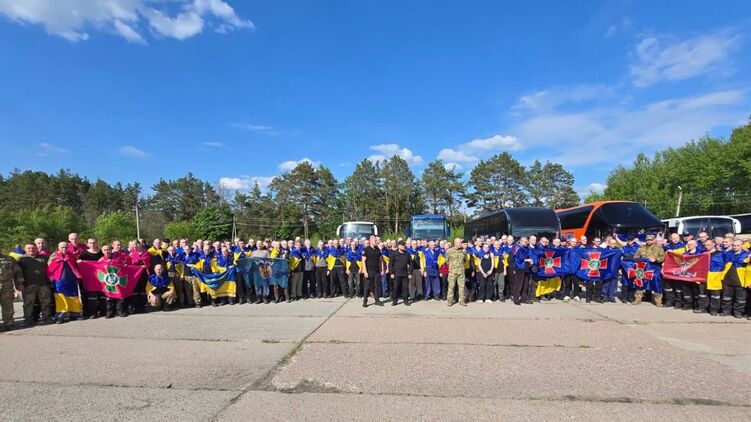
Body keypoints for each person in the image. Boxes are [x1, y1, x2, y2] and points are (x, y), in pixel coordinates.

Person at [17, 243, 52, 325]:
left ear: (37, 249)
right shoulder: (21, 259)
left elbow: (51, 269)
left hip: (43, 284)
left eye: (33, 248)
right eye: (29, 248)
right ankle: (28, 319)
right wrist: (19, 283)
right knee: (28, 304)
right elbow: (18, 272)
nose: (31, 250)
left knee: (46, 302)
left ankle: (47, 318)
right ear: (25, 249)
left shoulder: (44, 258)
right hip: (28, 285)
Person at [47, 241, 82, 324]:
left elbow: (76, 266)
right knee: (60, 298)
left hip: (71, 280)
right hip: (59, 280)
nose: (64, 249)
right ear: (58, 248)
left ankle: (74, 314)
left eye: (66, 247)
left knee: (73, 297)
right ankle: (60, 316)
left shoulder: (72, 256)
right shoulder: (54, 256)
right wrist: (50, 279)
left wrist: (78, 277)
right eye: (62, 247)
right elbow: (49, 268)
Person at [633, 234, 665, 306]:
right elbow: (635, 257)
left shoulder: (659, 248)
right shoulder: (641, 248)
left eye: (651, 240)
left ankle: (658, 301)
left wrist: (656, 259)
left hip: (655, 268)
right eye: (648, 240)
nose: (649, 241)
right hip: (643, 269)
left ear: (653, 240)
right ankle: (638, 299)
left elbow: (663, 257)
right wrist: (641, 259)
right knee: (640, 282)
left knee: (656, 282)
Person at [721, 240, 749, 318]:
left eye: (737, 245)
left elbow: (741, 261)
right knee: (726, 297)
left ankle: (738, 312)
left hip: (740, 280)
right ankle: (726, 311)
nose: (735, 247)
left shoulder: (746, 254)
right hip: (728, 279)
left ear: (742, 246)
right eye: (734, 245)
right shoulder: (728, 253)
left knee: (740, 298)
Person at [0, 247, 24, 331]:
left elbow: (18, 272)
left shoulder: (9, 259)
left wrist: (19, 283)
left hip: (7, 287)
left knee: (8, 306)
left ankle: (9, 324)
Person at [79, 238, 105, 319]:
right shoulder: (84, 254)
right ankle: (92, 313)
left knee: (102, 295)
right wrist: (79, 262)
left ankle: (103, 311)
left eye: (94, 243)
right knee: (91, 296)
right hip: (90, 278)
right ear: (87, 244)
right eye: (90, 243)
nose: (92, 244)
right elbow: (80, 265)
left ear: (97, 243)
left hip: (101, 277)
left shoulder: (102, 253)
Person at [361, 236, 384, 308]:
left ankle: (377, 300)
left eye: (376, 240)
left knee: (376, 285)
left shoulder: (377, 249)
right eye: (375, 240)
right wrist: (365, 272)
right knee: (367, 286)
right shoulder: (366, 249)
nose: (376, 242)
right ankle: (365, 301)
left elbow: (381, 260)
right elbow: (363, 261)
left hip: (376, 271)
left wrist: (382, 269)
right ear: (370, 241)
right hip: (369, 271)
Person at [389, 240, 413, 306]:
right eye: (402, 245)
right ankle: (395, 300)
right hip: (396, 274)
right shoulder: (394, 254)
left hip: (405, 274)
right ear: (399, 246)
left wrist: (410, 273)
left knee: (405, 288)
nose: (404, 246)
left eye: (404, 245)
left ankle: (405, 300)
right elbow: (390, 264)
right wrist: (391, 273)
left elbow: (411, 264)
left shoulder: (407, 254)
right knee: (396, 288)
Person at [445, 238, 467, 307]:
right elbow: (447, 261)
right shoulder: (449, 251)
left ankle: (462, 300)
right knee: (451, 287)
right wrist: (452, 266)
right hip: (452, 272)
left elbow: (465, 260)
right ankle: (450, 301)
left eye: (461, 242)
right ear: (455, 243)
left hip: (461, 272)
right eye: (459, 242)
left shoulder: (463, 251)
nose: (461, 244)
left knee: (462, 287)